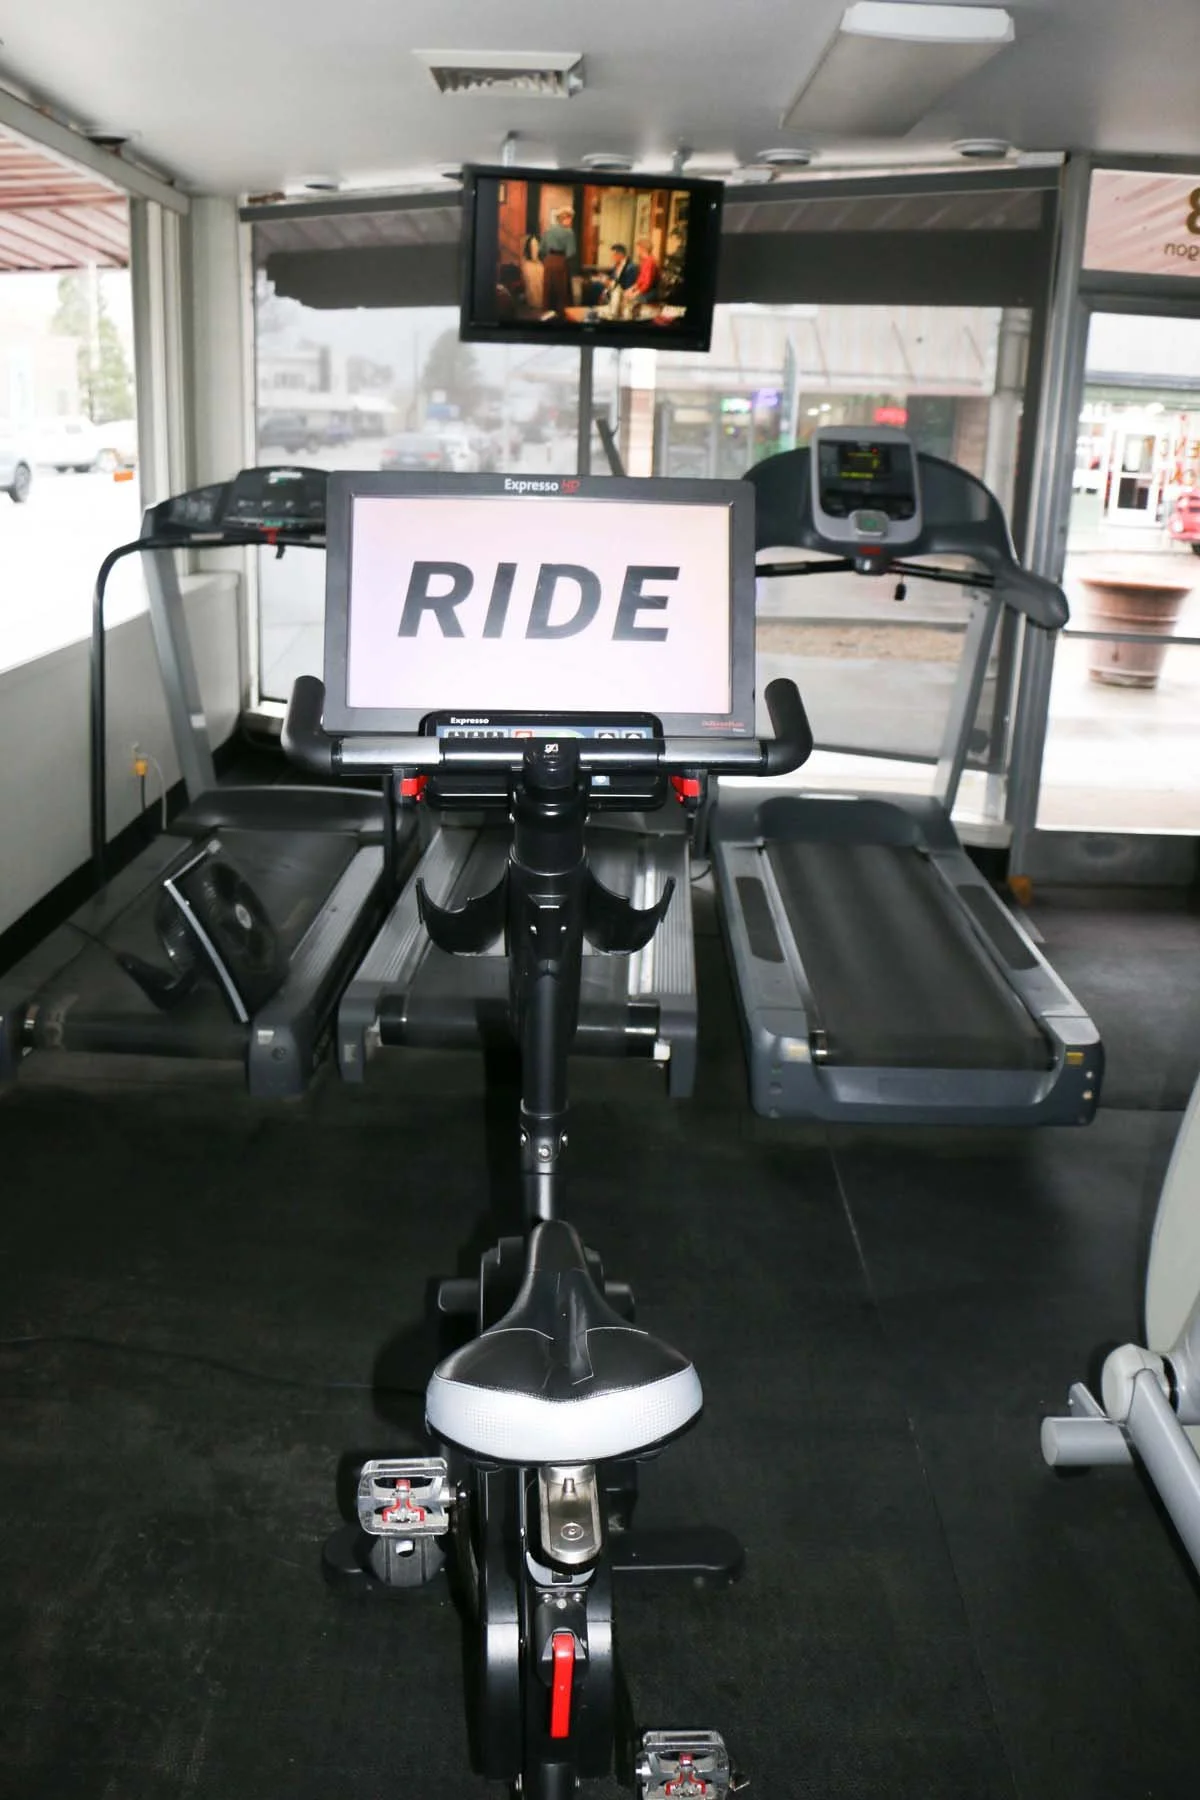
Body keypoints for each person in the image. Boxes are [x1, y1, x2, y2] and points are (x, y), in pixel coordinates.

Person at [539, 207, 576, 317]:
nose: (571, 221)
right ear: (565, 218)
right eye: (570, 218)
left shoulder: (548, 230)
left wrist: (547, 260)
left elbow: (541, 250)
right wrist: (564, 259)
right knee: (561, 291)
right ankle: (561, 317)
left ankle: (547, 314)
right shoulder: (569, 232)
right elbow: (571, 252)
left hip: (549, 262)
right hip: (561, 262)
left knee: (549, 290)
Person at [597, 242, 638, 319]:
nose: (611, 257)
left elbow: (626, 286)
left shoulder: (631, 267)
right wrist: (606, 280)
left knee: (596, 287)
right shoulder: (617, 264)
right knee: (596, 284)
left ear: (620, 255)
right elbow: (613, 278)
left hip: (622, 293)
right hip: (613, 290)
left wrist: (609, 284)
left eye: (613, 255)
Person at [630, 236, 661, 308]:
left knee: (631, 302)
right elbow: (640, 280)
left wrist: (635, 294)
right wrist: (631, 289)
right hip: (645, 291)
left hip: (651, 293)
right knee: (626, 297)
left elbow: (647, 284)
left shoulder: (650, 262)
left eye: (637, 248)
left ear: (643, 249)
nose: (636, 251)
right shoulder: (644, 261)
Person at [520, 234, 544, 312]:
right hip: (532, 265)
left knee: (533, 285)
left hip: (529, 264)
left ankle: (534, 302)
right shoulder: (533, 240)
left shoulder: (526, 240)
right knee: (534, 284)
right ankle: (536, 302)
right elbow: (534, 254)